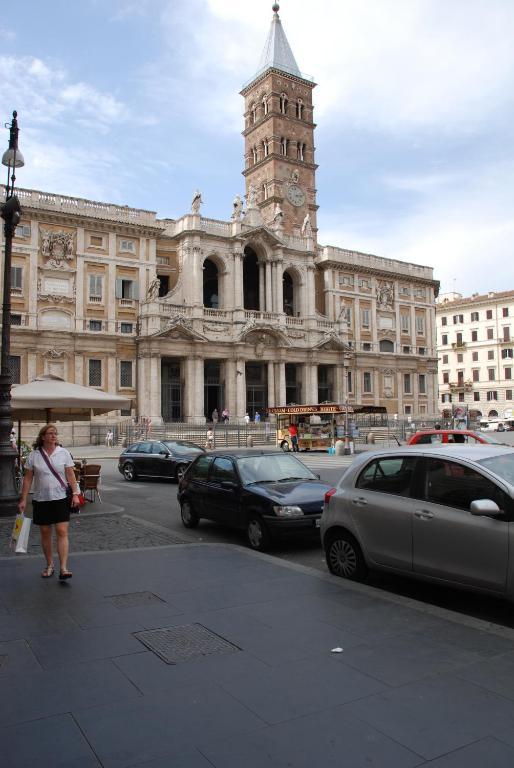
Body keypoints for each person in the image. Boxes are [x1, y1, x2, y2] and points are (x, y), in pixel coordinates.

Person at [18, 424, 80, 580]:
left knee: (62, 531)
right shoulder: (34, 455)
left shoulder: (63, 453)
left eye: (55, 433)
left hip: (60, 498)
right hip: (41, 499)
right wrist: (24, 498)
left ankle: (64, 568)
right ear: (43, 436)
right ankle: (50, 564)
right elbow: (27, 479)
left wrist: (75, 493)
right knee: (45, 533)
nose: (54, 436)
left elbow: (70, 475)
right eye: (50, 433)